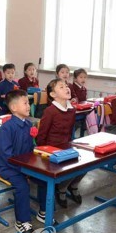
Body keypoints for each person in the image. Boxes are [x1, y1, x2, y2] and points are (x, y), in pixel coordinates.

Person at [0, 90, 54, 233]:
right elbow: (6, 154)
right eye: (25, 103)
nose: (29, 106)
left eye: (28, 103)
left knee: (45, 179)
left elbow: (30, 147)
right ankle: (22, 221)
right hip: (8, 167)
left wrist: (37, 159)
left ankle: (43, 212)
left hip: (25, 164)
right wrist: (23, 168)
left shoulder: (28, 124)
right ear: (14, 108)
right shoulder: (6, 128)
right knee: (22, 186)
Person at [36, 79, 82, 208]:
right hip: (50, 151)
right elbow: (41, 136)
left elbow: (69, 133)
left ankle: (72, 185)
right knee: (68, 165)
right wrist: (45, 154)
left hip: (65, 147)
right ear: (53, 95)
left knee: (85, 163)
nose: (66, 88)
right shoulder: (50, 111)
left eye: (66, 86)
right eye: (61, 87)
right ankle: (61, 189)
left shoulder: (71, 109)